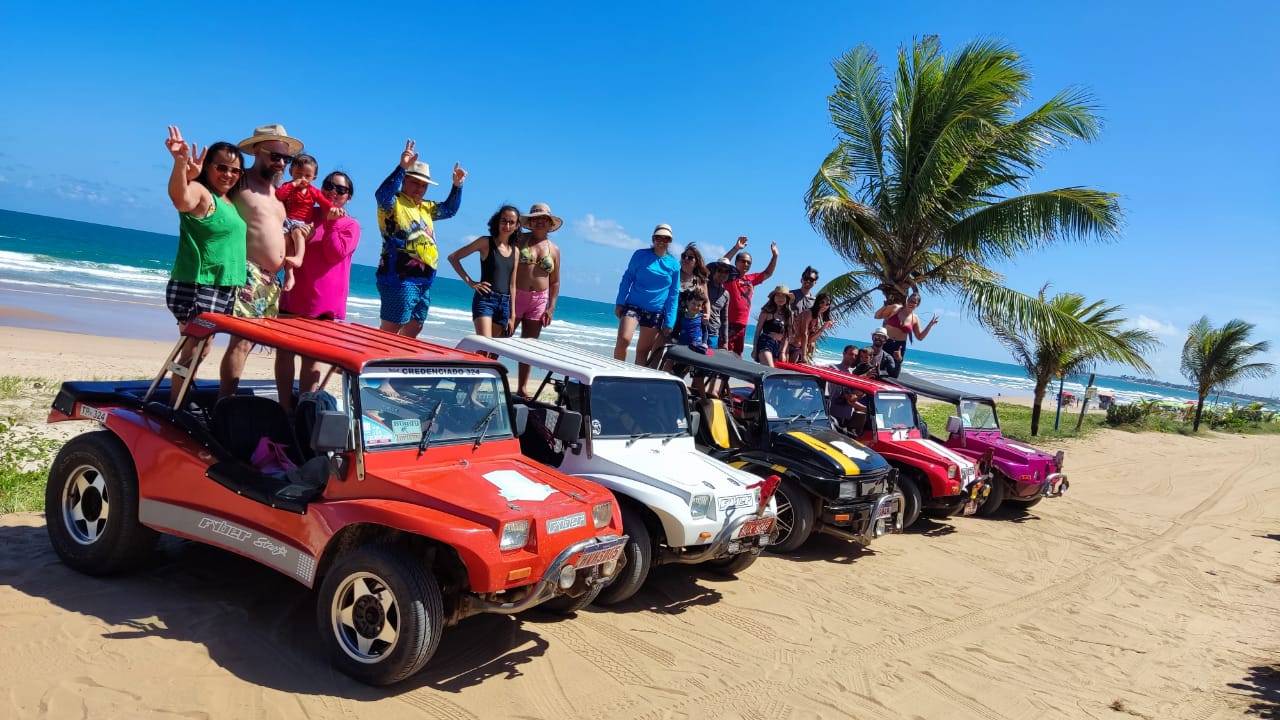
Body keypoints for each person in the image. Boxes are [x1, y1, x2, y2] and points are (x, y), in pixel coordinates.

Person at [161, 126, 246, 404]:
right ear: (208, 167)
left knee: (201, 348)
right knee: (193, 349)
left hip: (222, 286)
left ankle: (178, 400)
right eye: (222, 167)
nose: (229, 174)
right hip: (199, 283)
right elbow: (180, 199)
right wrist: (180, 163)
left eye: (235, 170)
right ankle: (176, 406)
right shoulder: (201, 192)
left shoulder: (228, 202)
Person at [222, 123, 302, 398]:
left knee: (252, 343)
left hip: (271, 281)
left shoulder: (276, 195)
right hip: (247, 272)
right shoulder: (239, 181)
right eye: (275, 156)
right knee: (241, 342)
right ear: (257, 151)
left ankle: (229, 401)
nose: (281, 163)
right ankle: (225, 403)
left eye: (286, 159)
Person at [275, 171, 360, 411]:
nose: (333, 192)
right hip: (294, 295)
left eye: (341, 190)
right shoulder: (307, 215)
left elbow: (334, 253)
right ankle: (284, 408)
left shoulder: (350, 225)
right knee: (284, 354)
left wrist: (331, 224)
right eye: (329, 186)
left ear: (349, 197)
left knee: (311, 360)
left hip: (323, 304)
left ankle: (304, 410)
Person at [374, 139, 467, 338]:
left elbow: (449, 210)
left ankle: (398, 366)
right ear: (404, 180)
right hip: (399, 277)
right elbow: (381, 194)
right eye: (414, 182)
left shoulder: (426, 207)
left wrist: (457, 187)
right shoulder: (394, 203)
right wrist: (401, 167)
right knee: (390, 331)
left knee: (414, 329)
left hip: (424, 280)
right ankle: (375, 364)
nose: (419, 188)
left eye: (424, 185)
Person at [513, 203, 563, 395]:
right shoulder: (519, 240)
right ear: (530, 222)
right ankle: (481, 381)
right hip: (516, 295)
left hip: (539, 301)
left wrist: (551, 308)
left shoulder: (555, 249)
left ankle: (522, 387)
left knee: (529, 346)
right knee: (501, 340)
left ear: (550, 223)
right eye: (536, 219)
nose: (540, 222)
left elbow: (555, 282)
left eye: (544, 219)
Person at [447, 205, 519, 338]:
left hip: (504, 304)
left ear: (517, 226)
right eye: (504, 220)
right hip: (486, 300)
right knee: (483, 345)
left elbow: (512, 285)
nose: (507, 225)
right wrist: (471, 282)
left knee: (491, 351)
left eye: (511, 222)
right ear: (497, 221)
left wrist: (512, 314)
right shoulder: (485, 242)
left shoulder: (515, 251)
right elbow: (453, 258)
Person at [614, 224, 681, 365]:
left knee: (642, 352)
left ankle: (635, 385)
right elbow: (628, 278)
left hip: (655, 311)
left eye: (666, 239)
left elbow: (673, 295)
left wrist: (670, 321)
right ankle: (616, 372)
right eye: (658, 238)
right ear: (653, 239)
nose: (661, 241)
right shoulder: (640, 255)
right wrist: (620, 302)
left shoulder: (674, 265)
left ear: (670, 241)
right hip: (633, 306)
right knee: (623, 339)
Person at [275, 153, 337, 293]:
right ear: (291, 172)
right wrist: (293, 184)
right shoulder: (288, 186)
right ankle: (289, 276)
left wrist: (335, 210)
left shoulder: (313, 191)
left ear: (314, 177)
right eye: (298, 174)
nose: (302, 178)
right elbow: (279, 195)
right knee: (288, 245)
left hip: (300, 223)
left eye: (307, 176)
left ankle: (299, 257)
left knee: (298, 233)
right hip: (286, 221)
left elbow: (325, 203)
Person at [724, 236, 779, 356]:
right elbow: (722, 262)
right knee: (724, 355)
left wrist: (775, 256)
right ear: (736, 262)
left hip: (743, 325)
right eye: (743, 261)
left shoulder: (751, 279)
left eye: (749, 262)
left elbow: (768, 273)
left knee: (737, 356)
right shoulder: (729, 277)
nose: (746, 264)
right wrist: (736, 248)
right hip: (729, 322)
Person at [874, 292, 938, 367]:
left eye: (914, 302)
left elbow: (920, 337)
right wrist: (884, 306)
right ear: (907, 299)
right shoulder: (896, 308)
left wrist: (930, 325)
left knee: (893, 371)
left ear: (917, 305)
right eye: (910, 300)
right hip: (886, 342)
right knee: (878, 367)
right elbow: (877, 316)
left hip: (899, 347)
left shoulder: (915, 318)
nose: (911, 303)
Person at [752, 285, 794, 362]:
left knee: (774, 372)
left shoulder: (789, 314)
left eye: (783, 296)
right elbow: (758, 331)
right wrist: (754, 349)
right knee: (770, 368)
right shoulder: (766, 311)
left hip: (778, 346)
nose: (780, 298)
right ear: (773, 297)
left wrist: (783, 352)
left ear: (787, 299)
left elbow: (788, 335)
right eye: (778, 295)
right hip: (765, 342)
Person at [792, 292, 835, 363]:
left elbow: (810, 340)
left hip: (799, 348)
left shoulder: (818, 318)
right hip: (792, 345)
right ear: (817, 302)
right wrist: (804, 355)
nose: (824, 306)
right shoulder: (808, 313)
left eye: (827, 304)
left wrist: (823, 327)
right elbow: (804, 333)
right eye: (822, 302)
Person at [704, 256, 736, 349]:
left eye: (726, 272)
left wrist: (725, 341)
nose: (723, 274)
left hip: (713, 334)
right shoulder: (704, 285)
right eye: (720, 270)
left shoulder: (726, 294)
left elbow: (724, 319)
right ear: (714, 271)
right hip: (697, 329)